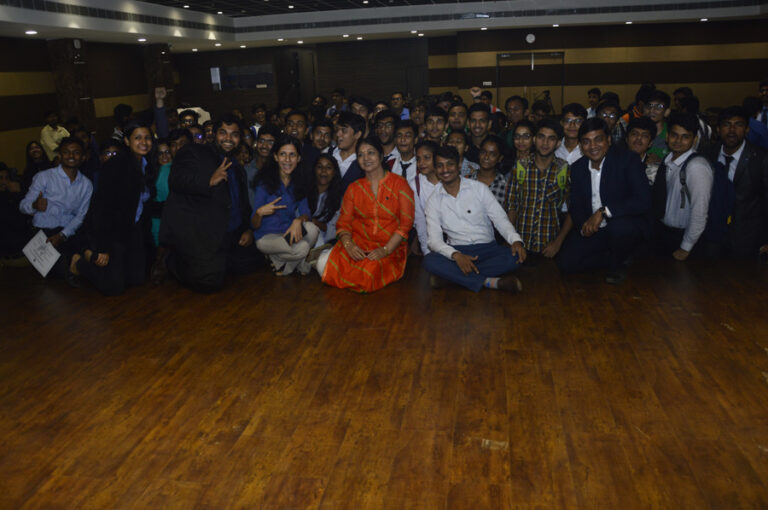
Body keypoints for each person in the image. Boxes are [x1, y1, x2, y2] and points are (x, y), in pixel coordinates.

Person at [160, 114, 261, 293]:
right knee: (209, 282)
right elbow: (176, 180)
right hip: (202, 235)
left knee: (254, 262)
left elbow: (242, 204)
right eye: (223, 133)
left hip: (230, 234)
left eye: (234, 134)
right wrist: (208, 180)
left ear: (240, 139)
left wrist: (247, 229)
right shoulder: (194, 152)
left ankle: (219, 261)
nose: (228, 138)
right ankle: (171, 260)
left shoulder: (237, 167)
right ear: (214, 135)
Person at [556, 118, 651, 284]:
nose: (593, 146)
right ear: (581, 145)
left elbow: (642, 201)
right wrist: (583, 227)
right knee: (566, 263)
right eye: (586, 142)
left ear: (608, 139)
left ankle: (618, 263)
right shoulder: (578, 168)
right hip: (595, 229)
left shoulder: (628, 160)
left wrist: (604, 211)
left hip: (622, 225)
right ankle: (615, 257)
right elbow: (576, 205)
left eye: (598, 139)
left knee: (618, 228)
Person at [316, 136, 415, 293]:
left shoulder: (400, 184)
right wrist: (349, 246)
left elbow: (406, 224)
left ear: (381, 156)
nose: (366, 158)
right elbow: (344, 223)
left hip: (390, 246)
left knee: (368, 276)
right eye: (361, 155)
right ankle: (327, 254)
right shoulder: (354, 188)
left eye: (370, 153)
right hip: (358, 243)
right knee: (322, 265)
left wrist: (385, 250)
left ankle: (330, 255)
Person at [423, 145, 525, 292]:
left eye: (450, 164)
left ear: (459, 165)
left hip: (487, 248)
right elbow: (434, 240)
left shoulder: (479, 189)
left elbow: (500, 219)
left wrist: (515, 240)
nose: (445, 170)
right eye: (440, 166)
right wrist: (456, 255)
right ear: (435, 169)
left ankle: (452, 277)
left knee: (515, 257)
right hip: (457, 250)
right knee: (429, 260)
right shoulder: (433, 200)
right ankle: (490, 282)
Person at [71, 122, 151, 295]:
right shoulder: (116, 165)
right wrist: (103, 247)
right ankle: (80, 261)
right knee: (113, 288)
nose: (144, 142)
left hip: (133, 228)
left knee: (137, 279)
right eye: (137, 138)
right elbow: (103, 208)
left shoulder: (146, 163)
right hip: (113, 230)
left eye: (147, 138)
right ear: (127, 141)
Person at [19, 137, 92, 279]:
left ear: (83, 157)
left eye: (76, 152)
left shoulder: (86, 184)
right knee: (56, 268)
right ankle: (72, 264)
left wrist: (62, 235)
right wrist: (34, 205)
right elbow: (23, 206)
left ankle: (74, 263)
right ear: (59, 155)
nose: (71, 156)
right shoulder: (44, 177)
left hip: (67, 232)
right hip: (44, 233)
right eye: (66, 152)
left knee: (84, 246)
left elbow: (80, 216)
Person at [705, 106, 768, 258]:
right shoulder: (708, 153)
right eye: (727, 124)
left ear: (747, 130)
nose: (732, 130)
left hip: (748, 238)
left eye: (738, 125)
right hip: (712, 235)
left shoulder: (761, 158)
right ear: (718, 129)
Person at [252, 136, 319, 276]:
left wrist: (298, 220)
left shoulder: (298, 182)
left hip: (287, 233)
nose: (287, 160)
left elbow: (306, 213)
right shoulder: (264, 183)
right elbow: (254, 225)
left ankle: (278, 261)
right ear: (276, 157)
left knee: (313, 229)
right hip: (266, 238)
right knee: (303, 248)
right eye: (283, 154)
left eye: (292, 155)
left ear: (298, 158)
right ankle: (294, 263)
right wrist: (259, 213)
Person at [651, 113, 713, 261]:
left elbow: (700, 211)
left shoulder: (696, 166)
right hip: (665, 233)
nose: (678, 141)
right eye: (674, 135)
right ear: (667, 136)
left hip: (684, 238)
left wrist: (686, 246)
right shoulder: (668, 160)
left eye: (685, 137)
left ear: (694, 140)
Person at [506, 118, 571, 257]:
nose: (545, 143)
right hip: (521, 244)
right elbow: (512, 206)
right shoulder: (520, 167)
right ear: (535, 139)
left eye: (551, 138)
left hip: (549, 246)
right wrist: (512, 240)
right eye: (541, 137)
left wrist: (558, 243)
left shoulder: (564, 170)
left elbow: (572, 210)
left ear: (558, 143)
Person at [411, 140, 441, 255]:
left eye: (427, 158)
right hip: (430, 237)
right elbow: (420, 221)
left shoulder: (448, 179)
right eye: (418, 159)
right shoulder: (415, 184)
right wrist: (426, 251)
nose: (421, 163)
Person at [307, 154, 343, 250]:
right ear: (314, 170)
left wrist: (315, 222)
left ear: (334, 172)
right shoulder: (304, 191)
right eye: (319, 167)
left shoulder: (339, 199)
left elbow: (333, 230)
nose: (323, 171)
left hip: (322, 239)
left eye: (328, 167)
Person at [467, 135, 508, 208]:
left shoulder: (505, 185)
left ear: (500, 158)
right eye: (483, 152)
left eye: (492, 154)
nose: (486, 157)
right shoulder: (467, 180)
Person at [1, 163, 31, 259]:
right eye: (0, 178)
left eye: (6, 178)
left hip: (21, 247)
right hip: (7, 251)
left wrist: (18, 194)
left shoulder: (12, 195)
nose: (4, 182)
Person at [332, 112, 365, 192]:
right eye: (337, 129)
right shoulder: (328, 154)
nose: (338, 134)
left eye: (344, 130)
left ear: (357, 135)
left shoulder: (364, 163)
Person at [625, 116, 659, 184]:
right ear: (627, 139)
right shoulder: (615, 162)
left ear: (650, 143)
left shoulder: (655, 168)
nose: (639, 138)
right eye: (634, 134)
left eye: (644, 136)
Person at [645, 90, 671, 161]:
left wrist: (660, 161)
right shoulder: (636, 131)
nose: (652, 110)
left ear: (667, 112)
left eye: (658, 107)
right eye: (649, 106)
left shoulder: (671, 133)